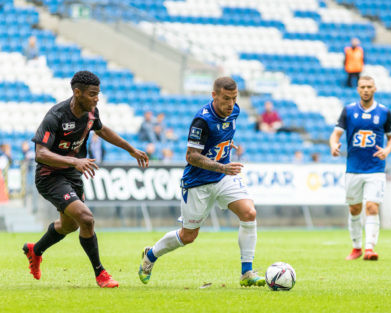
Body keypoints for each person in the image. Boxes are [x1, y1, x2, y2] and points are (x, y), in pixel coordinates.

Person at [23, 71, 149, 288]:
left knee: (68, 226)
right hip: (50, 176)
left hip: (73, 175)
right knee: (86, 218)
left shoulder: (91, 113)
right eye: (92, 94)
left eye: (98, 94)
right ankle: (101, 274)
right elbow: (40, 153)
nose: (96, 98)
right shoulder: (56, 117)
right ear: (77, 92)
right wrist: (74, 162)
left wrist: (131, 149)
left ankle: (36, 251)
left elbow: (103, 130)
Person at [138, 77, 265, 287]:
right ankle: (151, 255)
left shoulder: (235, 111)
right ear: (213, 95)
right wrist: (223, 165)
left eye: (234, 98)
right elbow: (191, 156)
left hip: (223, 177)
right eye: (225, 98)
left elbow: (222, 133)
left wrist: (224, 146)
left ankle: (247, 272)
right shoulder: (202, 121)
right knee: (188, 236)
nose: (230, 104)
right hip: (198, 182)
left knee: (249, 213)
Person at [329, 76, 391, 261]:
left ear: (375, 88)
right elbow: (335, 135)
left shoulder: (384, 112)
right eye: (362, 87)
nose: (366, 89)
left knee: (372, 207)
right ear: (358, 89)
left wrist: (387, 150)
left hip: (375, 168)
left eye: (369, 86)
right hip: (353, 169)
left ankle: (369, 249)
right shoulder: (348, 110)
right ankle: (356, 247)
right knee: (355, 209)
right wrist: (333, 145)